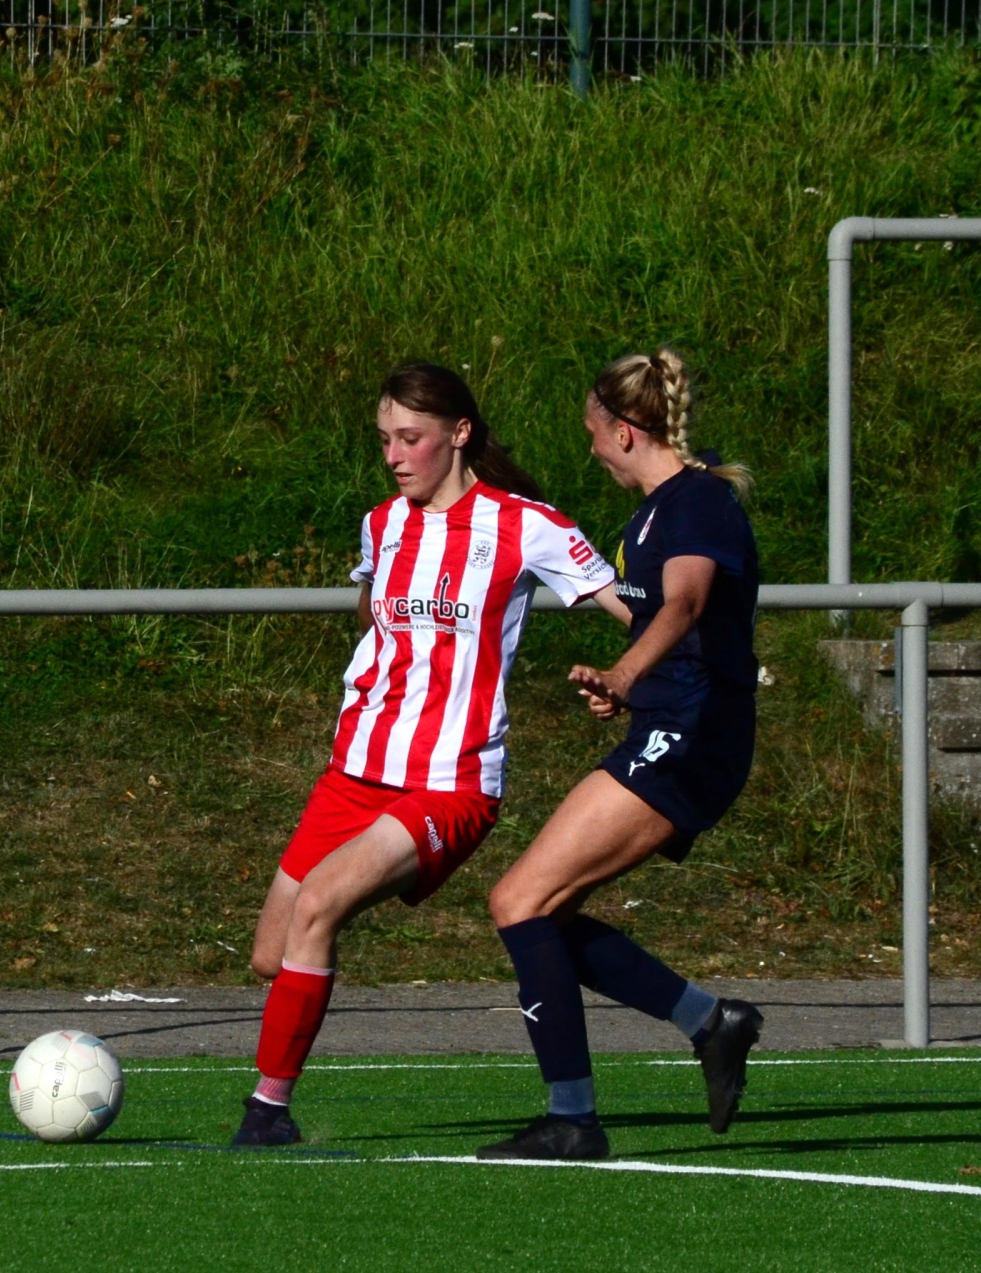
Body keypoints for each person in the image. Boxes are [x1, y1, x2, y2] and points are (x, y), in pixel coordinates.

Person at [232, 362, 617, 1147]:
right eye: (384, 440)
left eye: (410, 438)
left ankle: (266, 1114)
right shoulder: (382, 525)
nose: (394, 456)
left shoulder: (525, 525)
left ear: (460, 433)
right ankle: (699, 1017)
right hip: (353, 773)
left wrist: (640, 674)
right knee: (273, 955)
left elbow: (629, 605)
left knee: (319, 905)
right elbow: (377, 620)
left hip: (450, 781)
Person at [477, 347, 765, 1162]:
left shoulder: (696, 502)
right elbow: (676, 627)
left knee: (520, 901)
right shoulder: (654, 513)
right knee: (539, 913)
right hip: (670, 725)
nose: (593, 449)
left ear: (627, 431)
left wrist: (626, 673)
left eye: (594, 433)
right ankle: (710, 1022)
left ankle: (574, 1119)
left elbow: (687, 603)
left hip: (695, 734)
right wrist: (631, 687)